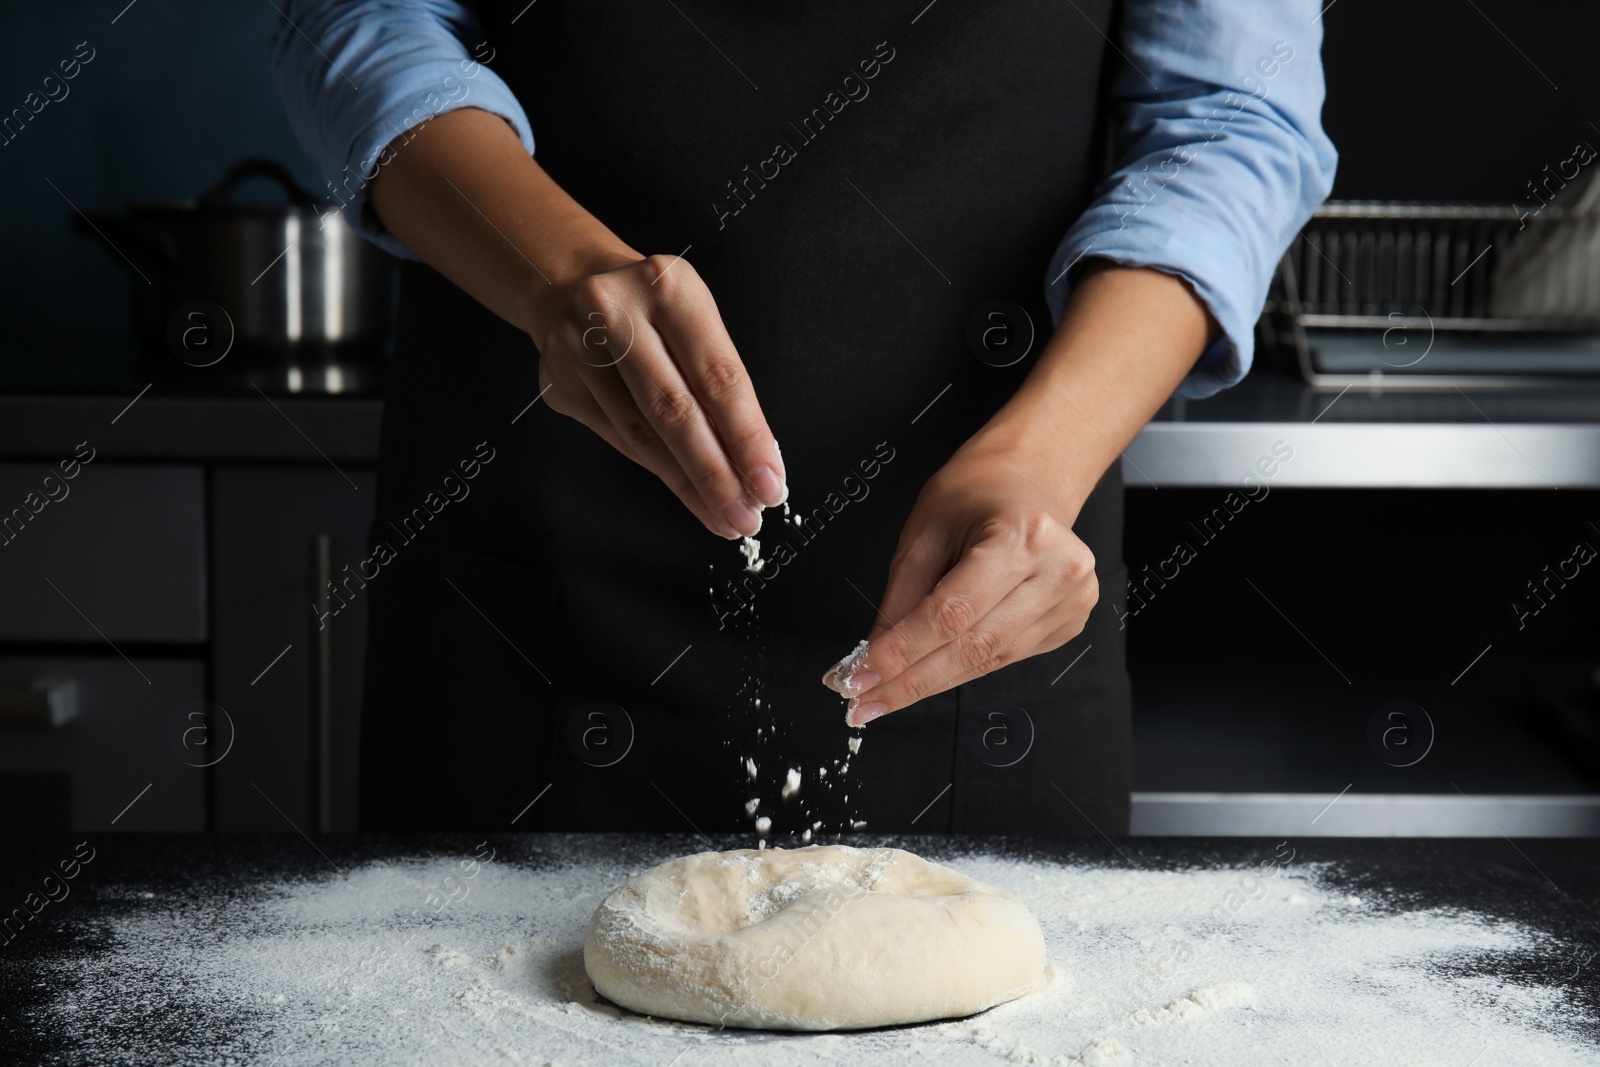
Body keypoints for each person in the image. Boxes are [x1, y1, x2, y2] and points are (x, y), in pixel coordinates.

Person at [272, 0, 1336, 835]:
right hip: (526, 597)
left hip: (985, 606)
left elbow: (1231, 117)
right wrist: (559, 274)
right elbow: (360, 18)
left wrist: (1037, 461)